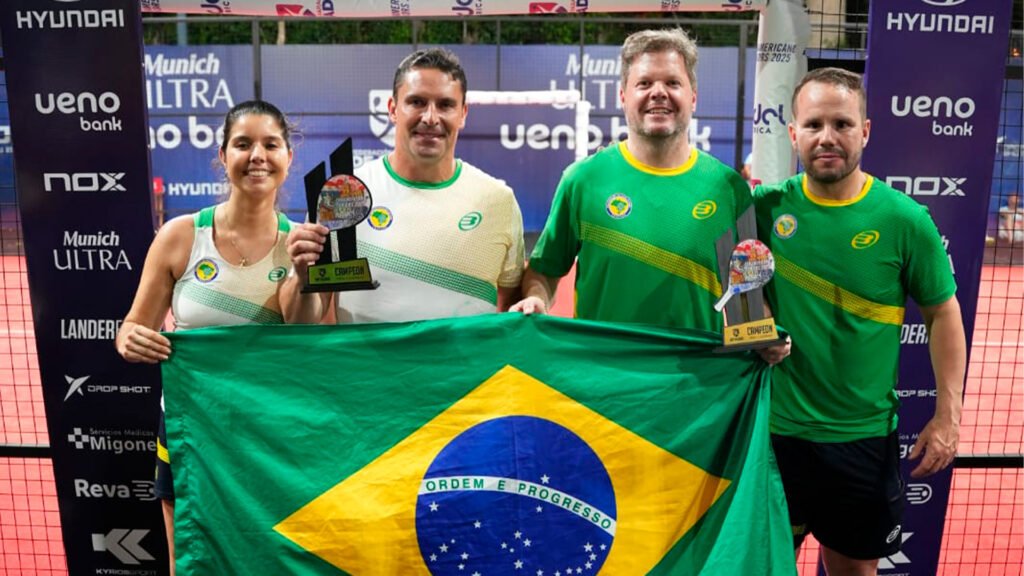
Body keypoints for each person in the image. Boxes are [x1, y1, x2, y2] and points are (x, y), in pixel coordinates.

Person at [753, 67, 966, 576]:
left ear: (865, 131)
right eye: (814, 125)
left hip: (862, 441)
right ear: (793, 133)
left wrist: (949, 416)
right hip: (773, 437)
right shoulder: (761, 210)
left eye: (842, 124)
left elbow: (942, 313)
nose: (827, 137)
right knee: (763, 567)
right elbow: (726, 283)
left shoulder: (904, 219)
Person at [115, 100, 297, 575]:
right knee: (191, 561)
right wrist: (131, 340)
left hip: (270, 437)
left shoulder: (302, 245)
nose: (257, 156)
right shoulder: (180, 236)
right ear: (223, 155)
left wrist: (304, 276)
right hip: (191, 432)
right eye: (243, 144)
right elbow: (133, 327)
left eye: (270, 144)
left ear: (288, 156)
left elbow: (314, 340)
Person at [511, 28, 770, 340]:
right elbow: (544, 272)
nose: (658, 92)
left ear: (693, 97)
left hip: (697, 371)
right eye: (644, 83)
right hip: (601, 368)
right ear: (623, 96)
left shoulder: (729, 189)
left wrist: (762, 337)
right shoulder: (581, 181)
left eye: (672, 82)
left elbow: (748, 296)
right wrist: (537, 299)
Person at [282, 48, 524, 324]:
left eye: (445, 105)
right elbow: (301, 322)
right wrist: (301, 276)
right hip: (368, 355)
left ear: (463, 113)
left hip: (466, 356)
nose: (430, 117)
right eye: (417, 102)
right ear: (392, 109)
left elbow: (513, 312)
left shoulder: (498, 201)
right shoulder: (340, 195)